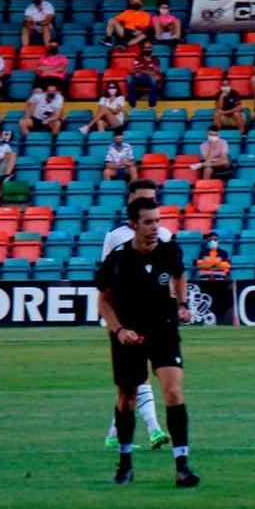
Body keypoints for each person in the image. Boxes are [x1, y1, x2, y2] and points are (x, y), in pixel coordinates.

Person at [96, 197, 199, 486]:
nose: (155, 227)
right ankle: (125, 462)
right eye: (148, 222)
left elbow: (180, 275)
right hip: (129, 334)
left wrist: (181, 303)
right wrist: (118, 331)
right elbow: (103, 302)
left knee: (173, 392)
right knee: (127, 397)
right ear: (133, 225)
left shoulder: (169, 251)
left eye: (158, 220)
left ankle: (182, 466)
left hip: (163, 329)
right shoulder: (117, 260)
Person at [99, 181, 175, 454]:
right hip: (124, 319)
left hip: (155, 317)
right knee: (135, 379)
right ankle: (154, 429)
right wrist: (113, 323)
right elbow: (105, 279)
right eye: (141, 199)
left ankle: (114, 433)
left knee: (133, 384)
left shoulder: (164, 234)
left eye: (151, 199)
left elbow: (169, 274)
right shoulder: (116, 236)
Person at [126, 42, 162, 108]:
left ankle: (152, 105)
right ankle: (132, 105)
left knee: (153, 79)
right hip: (139, 78)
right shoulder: (138, 58)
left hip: (149, 78)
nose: (147, 49)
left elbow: (153, 73)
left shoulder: (155, 59)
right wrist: (145, 71)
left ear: (151, 49)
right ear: (142, 49)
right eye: (145, 48)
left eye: (149, 48)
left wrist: (140, 70)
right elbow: (133, 70)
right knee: (129, 78)